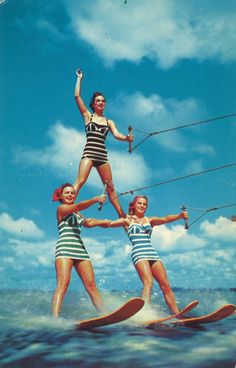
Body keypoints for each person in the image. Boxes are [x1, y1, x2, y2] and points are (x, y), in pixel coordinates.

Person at [105, 195, 188, 314]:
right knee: (148, 282)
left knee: (166, 286)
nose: (142, 206)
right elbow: (112, 218)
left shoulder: (150, 220)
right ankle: (145, 314)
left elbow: (165, 219)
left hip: (151, 253)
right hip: (139, 252)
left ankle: (177, 314)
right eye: (139, 203)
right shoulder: (127, 220)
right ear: (134, 205)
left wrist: (179, 216)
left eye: (144, 204)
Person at [73, 68, 133, 218]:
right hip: (89, 153)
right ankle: (69, 204)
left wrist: (127, 138)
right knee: (80, 181)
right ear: (93, 104)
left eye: (103, 101)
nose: (101, 102)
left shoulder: (109, 121)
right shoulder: (88, 116)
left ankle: (121, 214)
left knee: (110, 187)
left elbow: (117, 134)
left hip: (102, 156)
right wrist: (79, 78)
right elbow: (77, 96)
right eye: (98, 100)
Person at [51, 183, 110, 318]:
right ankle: (54, 319)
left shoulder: (77, 213)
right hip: (65, 249)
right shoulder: (62, 209)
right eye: (67, 193)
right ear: (61, 196)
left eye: (72, 193)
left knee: (92, 287)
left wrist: (103, 222)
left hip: (81, 250)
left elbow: (88, 223)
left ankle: (106, 315)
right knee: (63, 285)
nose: (70, 195)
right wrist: (95, 199)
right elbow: (78, 206)